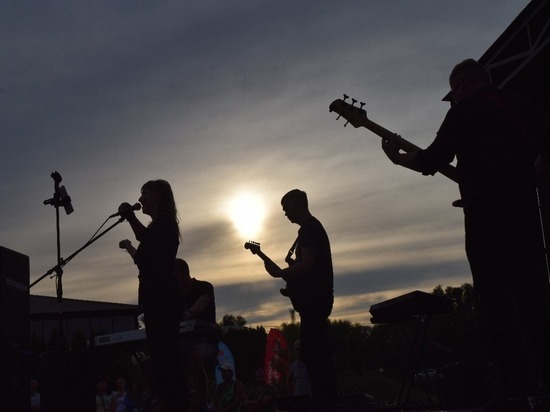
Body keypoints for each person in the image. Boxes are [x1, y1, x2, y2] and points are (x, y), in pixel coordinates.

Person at [381, 58, 550, 411]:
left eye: (454, 91)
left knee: (497, 306)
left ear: (462, 86)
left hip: (487, 227)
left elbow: (430, 161)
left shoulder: (463, 112)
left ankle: (515, 393)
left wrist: (397, 159)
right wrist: (534, 173)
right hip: (527, 221)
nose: (454, 98)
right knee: (535, 301)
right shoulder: (520, 105)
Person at [263, 189, 337, 412]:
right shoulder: (307, 231)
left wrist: (280, 274)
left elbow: (307, 265)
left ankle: (325, 404)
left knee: (317, 358)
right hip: (312, 302)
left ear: (298, 204)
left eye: (286, 208)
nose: (285, 213)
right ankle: (324, 402)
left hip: (315, 301)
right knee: (313, 355)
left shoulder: (310, 229)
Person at [118, 179, 187, 412]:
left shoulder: (165, 223)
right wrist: (128, 247)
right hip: (155, 301)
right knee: (160, 363)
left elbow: (146, 238)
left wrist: (129, 216)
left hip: (164, 301)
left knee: (167, 363)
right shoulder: (156, 228)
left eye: (143, 194)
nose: (140, 199)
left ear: (158, 195)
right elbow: (143, 259)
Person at [175, 258, 219, 412]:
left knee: (195, 357)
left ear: (182, 274)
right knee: (149, 363)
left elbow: (203, 301)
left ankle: (203, 404)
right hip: (182, 344)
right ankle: (164, 404)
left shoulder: (204, 287)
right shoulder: (174, 295)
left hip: (206, 342)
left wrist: (189, 313)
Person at [287, 340, 312, 411]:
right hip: (298, 400)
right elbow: (289, 380)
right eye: (295, 349)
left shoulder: (312, 365)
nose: (296, 352)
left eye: (298, 349)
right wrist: (293, 393)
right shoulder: (293, 366)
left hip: (310, 401)